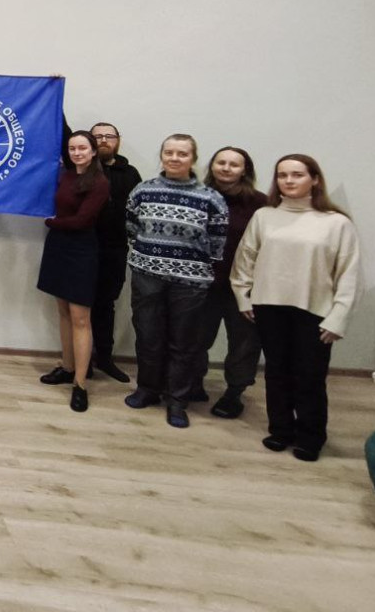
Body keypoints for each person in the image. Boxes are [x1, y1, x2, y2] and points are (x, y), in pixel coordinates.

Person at [231, 154, 361, 462]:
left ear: (314, 179)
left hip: (315, 310)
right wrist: (243, 297)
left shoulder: (336, 223)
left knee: (310, 376)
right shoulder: (265, 216)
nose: (288, 180)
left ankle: (310, 436)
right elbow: (244, 260)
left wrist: (338, 316)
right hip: (269, 307)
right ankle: (281, 430)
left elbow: (349, 273)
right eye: (282, 175)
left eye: (297, 175)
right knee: (276, 372)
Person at [124, 134, 228, 429]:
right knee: (148, 336)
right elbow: (131, 227)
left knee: (183, 343)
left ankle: (177, 401)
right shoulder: (143, 191)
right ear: (162, 156)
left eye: (182, 154)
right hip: (147, 275)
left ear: (193, 159)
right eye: (169, 152)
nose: (174, 158)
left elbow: (218, 243)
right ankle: (147, 390)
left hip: (190, 281)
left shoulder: (211, 198)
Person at [37, 131, 110, 412]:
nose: (77, 152)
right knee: (63, 312)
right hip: (58, 247)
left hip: (81, 251)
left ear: (93, 152)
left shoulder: (99, 182)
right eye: (72, 148)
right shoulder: (66, 175)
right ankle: (67, 367)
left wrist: (51, 222)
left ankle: (80, 383)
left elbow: (81, 221)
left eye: (82, 148)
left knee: (81, 318)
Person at [193, 146, 267, 418]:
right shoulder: (198, 196)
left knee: (243, 344)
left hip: (244, 288)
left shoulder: (261, 203)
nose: (226, 168)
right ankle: (194, 383)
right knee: (196, 339)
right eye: (220, 162)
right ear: (212, 166)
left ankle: (234, 393)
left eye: (233, 164)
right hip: (203, 284)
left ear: (245, 170)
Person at [88, 122, 142, 383]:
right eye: (97, 136)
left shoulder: (131, 174)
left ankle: (105, 358)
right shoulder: (80, 169)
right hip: (81, 250)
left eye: (109, 136)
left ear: (118, 141)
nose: (103, 140)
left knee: (105, 305)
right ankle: (80, 361)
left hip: (114, 250)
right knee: (79, 306)